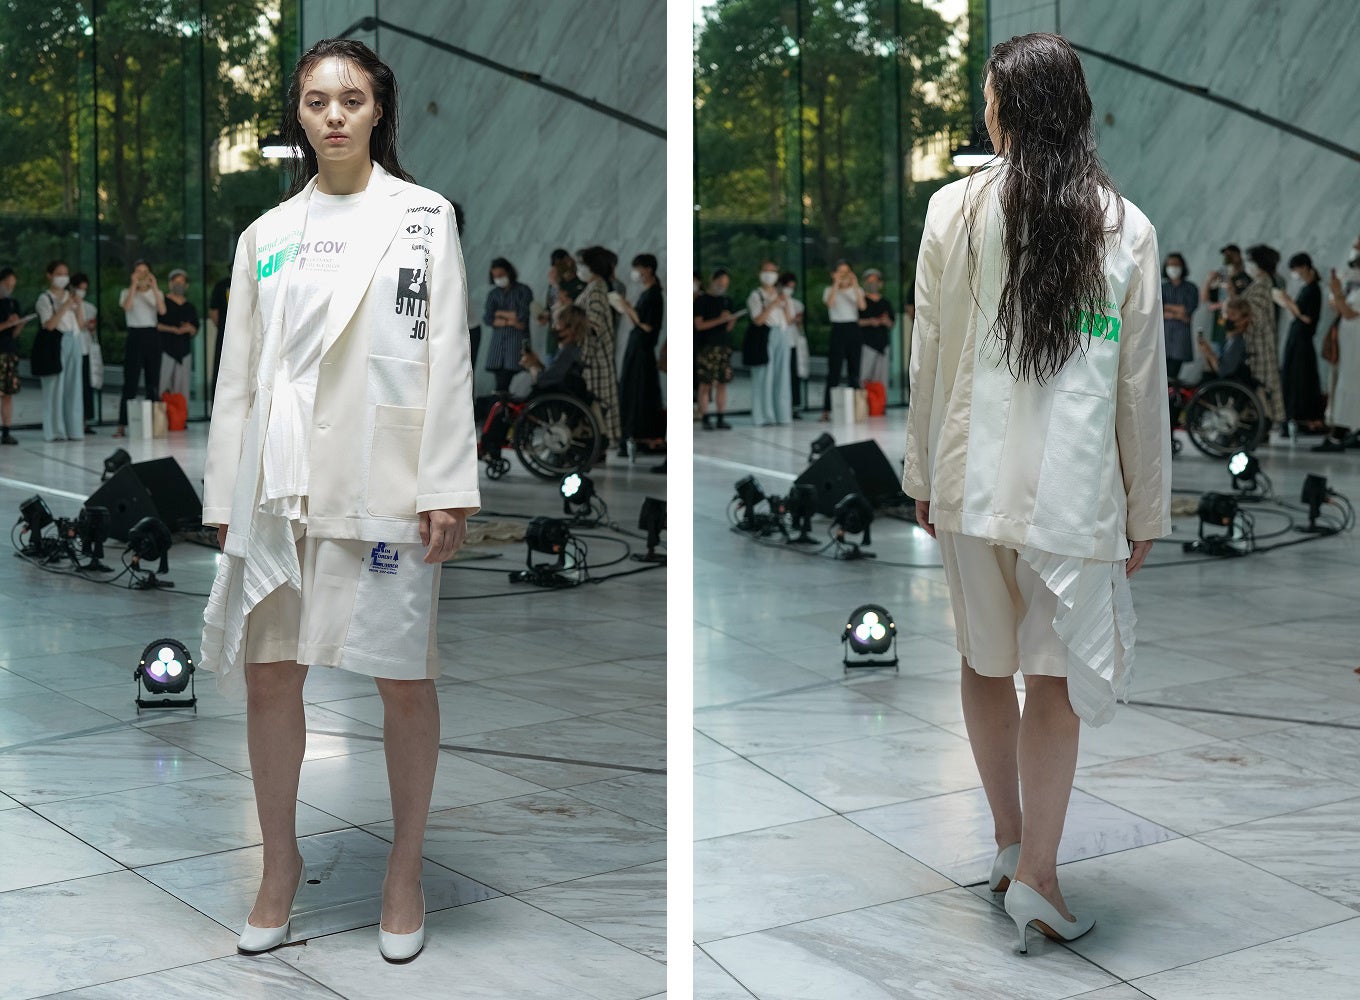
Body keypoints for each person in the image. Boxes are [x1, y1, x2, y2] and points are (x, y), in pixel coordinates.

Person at [200, 38, 478, 963]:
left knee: (404, 676)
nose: (333, 115)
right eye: (316, 100)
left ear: (378, 110)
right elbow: (238, 374)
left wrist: (445, 483)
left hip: (384, 475)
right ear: (299, 113)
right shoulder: (267, 235)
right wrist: (226, 493)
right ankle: (278, 867)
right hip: (279, 488)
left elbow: (447, 355)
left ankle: (404, 871)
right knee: (271, 674)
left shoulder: (424, 218)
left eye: (351, 99)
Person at [903, 34, 1169, 956]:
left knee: (984, 663)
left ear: (1007, 110)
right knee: (1052, 678)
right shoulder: (1124, 224)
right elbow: (1140, 386)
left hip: (968, 478)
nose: (985, 113)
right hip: (1074, 493)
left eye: (989, 99)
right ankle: (1039, 879)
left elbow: (929, 351)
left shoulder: (953, 209)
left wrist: (921, 472)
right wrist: (1146, 508)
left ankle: (1011, 844)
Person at [574, 245, 623, 450]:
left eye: (581, 264)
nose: (579, 269)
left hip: (594, 360)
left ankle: (599, 443)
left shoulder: (595, 290)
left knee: (598, 405)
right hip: (596, 358)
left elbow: (593, 326)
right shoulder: (595, 287)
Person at [617, 253, 665, 453]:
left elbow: (647, 325)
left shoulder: (654, 295)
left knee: (641, 392)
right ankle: (632, 434)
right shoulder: (646, 293)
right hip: (636, 347)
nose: (636, 272)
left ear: (648, 269)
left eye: (638, 268)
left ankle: (645, 437)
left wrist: (628, 308)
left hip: (643, 350)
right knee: (631, 391)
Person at [1315, 238, 1360, 451]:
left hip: (1355, 347)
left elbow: (1350, 313)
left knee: (1349, 387)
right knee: (1345, 387)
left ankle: (1338, 435)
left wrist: (1338, 291)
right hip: (1348, 345)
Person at [34, 260, 85, 442]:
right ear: (50, 275)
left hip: (74, 339)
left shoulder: (70, 295)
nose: (63, 277)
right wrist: (65, 307)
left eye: (65, 274)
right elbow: (49, 325)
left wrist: (78, 305)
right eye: (59, 274)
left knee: (74, 386)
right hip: (56, 343)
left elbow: (80, 323)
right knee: (55, 387)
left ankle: (75, 429)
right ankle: (55, 430)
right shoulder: (44, 298)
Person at [115, 260, 166, 437]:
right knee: (130, 380)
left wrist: (154, 287)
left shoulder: (156, 293)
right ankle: (122, 425)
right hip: (135, 335)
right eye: (138, 271)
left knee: (153, 380)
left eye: (145, 271)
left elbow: (162, 311)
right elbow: (127, 307)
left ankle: (154, 424)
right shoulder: (126, 292)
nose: (142, 274)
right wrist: (134, 285)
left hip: (152, 335)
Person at [1275, 252, 1325, 432]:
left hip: (1303, 340)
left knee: (1302, 378)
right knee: (1293, 377)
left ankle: (1305, 418)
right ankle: (1295, 416)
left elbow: (1306, 317)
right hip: (1297, 338)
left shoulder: (1313, 289)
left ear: (1304, 267)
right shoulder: (1306, 288)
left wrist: (1288, 302)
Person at [1239, 244, 1286, 428]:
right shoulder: (1262, 282)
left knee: (1262, 386)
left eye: (1249, 261)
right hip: (1260, 343)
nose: (1247, 265)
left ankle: (1263, 422)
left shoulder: (1262, 285)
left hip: (1259, 345)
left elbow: (1253, 315)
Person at [747, 260, 793, 427]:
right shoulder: (756, 295)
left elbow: (789, 319)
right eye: (766, 271)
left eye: (773, 271)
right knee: (764, 376)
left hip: (783, 333)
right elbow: (758, 320)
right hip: (765, 335)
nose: (769, 275)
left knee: (783, 375)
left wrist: (784, 303)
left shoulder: (782, 294)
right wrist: (772, 305)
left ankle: (782, 414)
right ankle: (763, 416)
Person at [821, 259, 866, 420]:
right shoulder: (829, 290)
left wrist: (854, 284)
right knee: (834, 370)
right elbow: (829, 303)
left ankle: (856, 410)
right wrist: (836, 283)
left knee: (855, 370)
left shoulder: (857, 290)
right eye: (840, 272)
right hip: (838, 329)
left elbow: (862, 306)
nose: (844, 275)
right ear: (834, 274)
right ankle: (827, 410)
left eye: (846, 272)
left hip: (853, 328)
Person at [694, 267, 736, 429]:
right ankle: (705, 416)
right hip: (706, 346)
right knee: (706, 383)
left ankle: (720, 416)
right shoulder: (702, 300)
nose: (722, 286)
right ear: (713, 280)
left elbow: (728, 328)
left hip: (723, 346)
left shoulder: (726, 301)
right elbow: (699, 325)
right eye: (720, 282)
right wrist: (719, 320)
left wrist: (730, 320)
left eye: (725, 284)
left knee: (722, 383)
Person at [482, 257, 532, 392]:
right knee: (500, 384)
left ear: (509, 272)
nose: (498, 279)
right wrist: (510, 321)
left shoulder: (523, 290)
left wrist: (499, 314)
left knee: (505, 382)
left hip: (515, 345)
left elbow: (521, 316)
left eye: (501, 275)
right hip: (497, 348)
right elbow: (488, 318)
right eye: (495, 276)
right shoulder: (493, 294)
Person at [158, 268, 199, 403]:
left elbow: (195, 329)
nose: (179, 285)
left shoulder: (190, 307)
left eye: (182, 282)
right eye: (176, 282)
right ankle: (161, 415)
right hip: (166, 350)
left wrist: (189, 328)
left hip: (184, 352)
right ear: (170, 284)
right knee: (162, 387)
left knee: (182, 390)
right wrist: (174, 329)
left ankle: (180, 414)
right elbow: (156, 325)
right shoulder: (162, 303)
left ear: (187, 285)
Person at [1201, 243, 1252, 347]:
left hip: (1237, 330)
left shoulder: (1245, 278)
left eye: (1230, 256)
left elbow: (1244, 304)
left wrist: (1230, 290)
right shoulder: (1221, 277)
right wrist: (1208, 280)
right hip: (1219, 329)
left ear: (1238, 256)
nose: (1227, 259)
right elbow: (1205, 299)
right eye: (1226, 257)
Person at [0, 267, 29, 444]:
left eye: (12, 285)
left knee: (8, 393)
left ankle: (6, 430)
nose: (9, 288)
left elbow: (13, 334)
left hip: (9, 351)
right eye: (7, 284)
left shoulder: (12, 303)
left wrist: (19, 325)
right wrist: (6, 324)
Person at [70, 273, 101, 433]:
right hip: (72, 348)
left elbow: (90, 328)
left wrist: (91, 327)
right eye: (79, 288)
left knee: (85, 386)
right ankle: (72, 421)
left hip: (86, 348)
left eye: (84, 289)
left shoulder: (90, 308)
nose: (82, 292)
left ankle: (85, 420)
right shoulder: (68, 306)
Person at [1160, 252, 1197, 380]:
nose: (1173, 268)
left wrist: (1167, 309)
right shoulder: (1161, 288)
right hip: (1163, 339)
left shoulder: (1191, 288)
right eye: (1170, 265)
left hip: (1180, 341)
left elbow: (1186, 311)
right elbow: (1157, 311)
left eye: (1176, 264)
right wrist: (1178, 312)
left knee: (1172, 376)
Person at [1195, 297, 1250, 381]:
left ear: (1243, 319)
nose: (1227, 317)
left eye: (1233, 314)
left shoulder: (1237, 342)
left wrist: (1209, 353)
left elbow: (1223, 371)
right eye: (1226, 313)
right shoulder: (1230, 339)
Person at [858, 268, 895, 388]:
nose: (872, 284)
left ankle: (879, 400)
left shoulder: (886, 303)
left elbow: (892, 323)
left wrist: (885, 321)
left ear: (880, 283)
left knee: (882, 381)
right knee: (864, 378)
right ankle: (864, 400)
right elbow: (856, 321)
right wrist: (870, 321)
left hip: (883, 345)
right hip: (867, 345)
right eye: (869, 281)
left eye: (875, 281)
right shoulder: (861, 301)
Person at [780, 271, 808, 418]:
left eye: (792, 287)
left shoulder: (797, 304)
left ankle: (794, 406)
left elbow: (798, 323)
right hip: (780, 342)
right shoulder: (777, 302)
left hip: (793, 341)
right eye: (787, 286)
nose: (789, 289)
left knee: (793, 374)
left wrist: (797, 321)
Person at [209, 268, 231, 399]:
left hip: (237, 332)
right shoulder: (222, 286)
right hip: (225, 333)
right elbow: (213, 312)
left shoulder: (251, 283)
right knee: (221, 367)